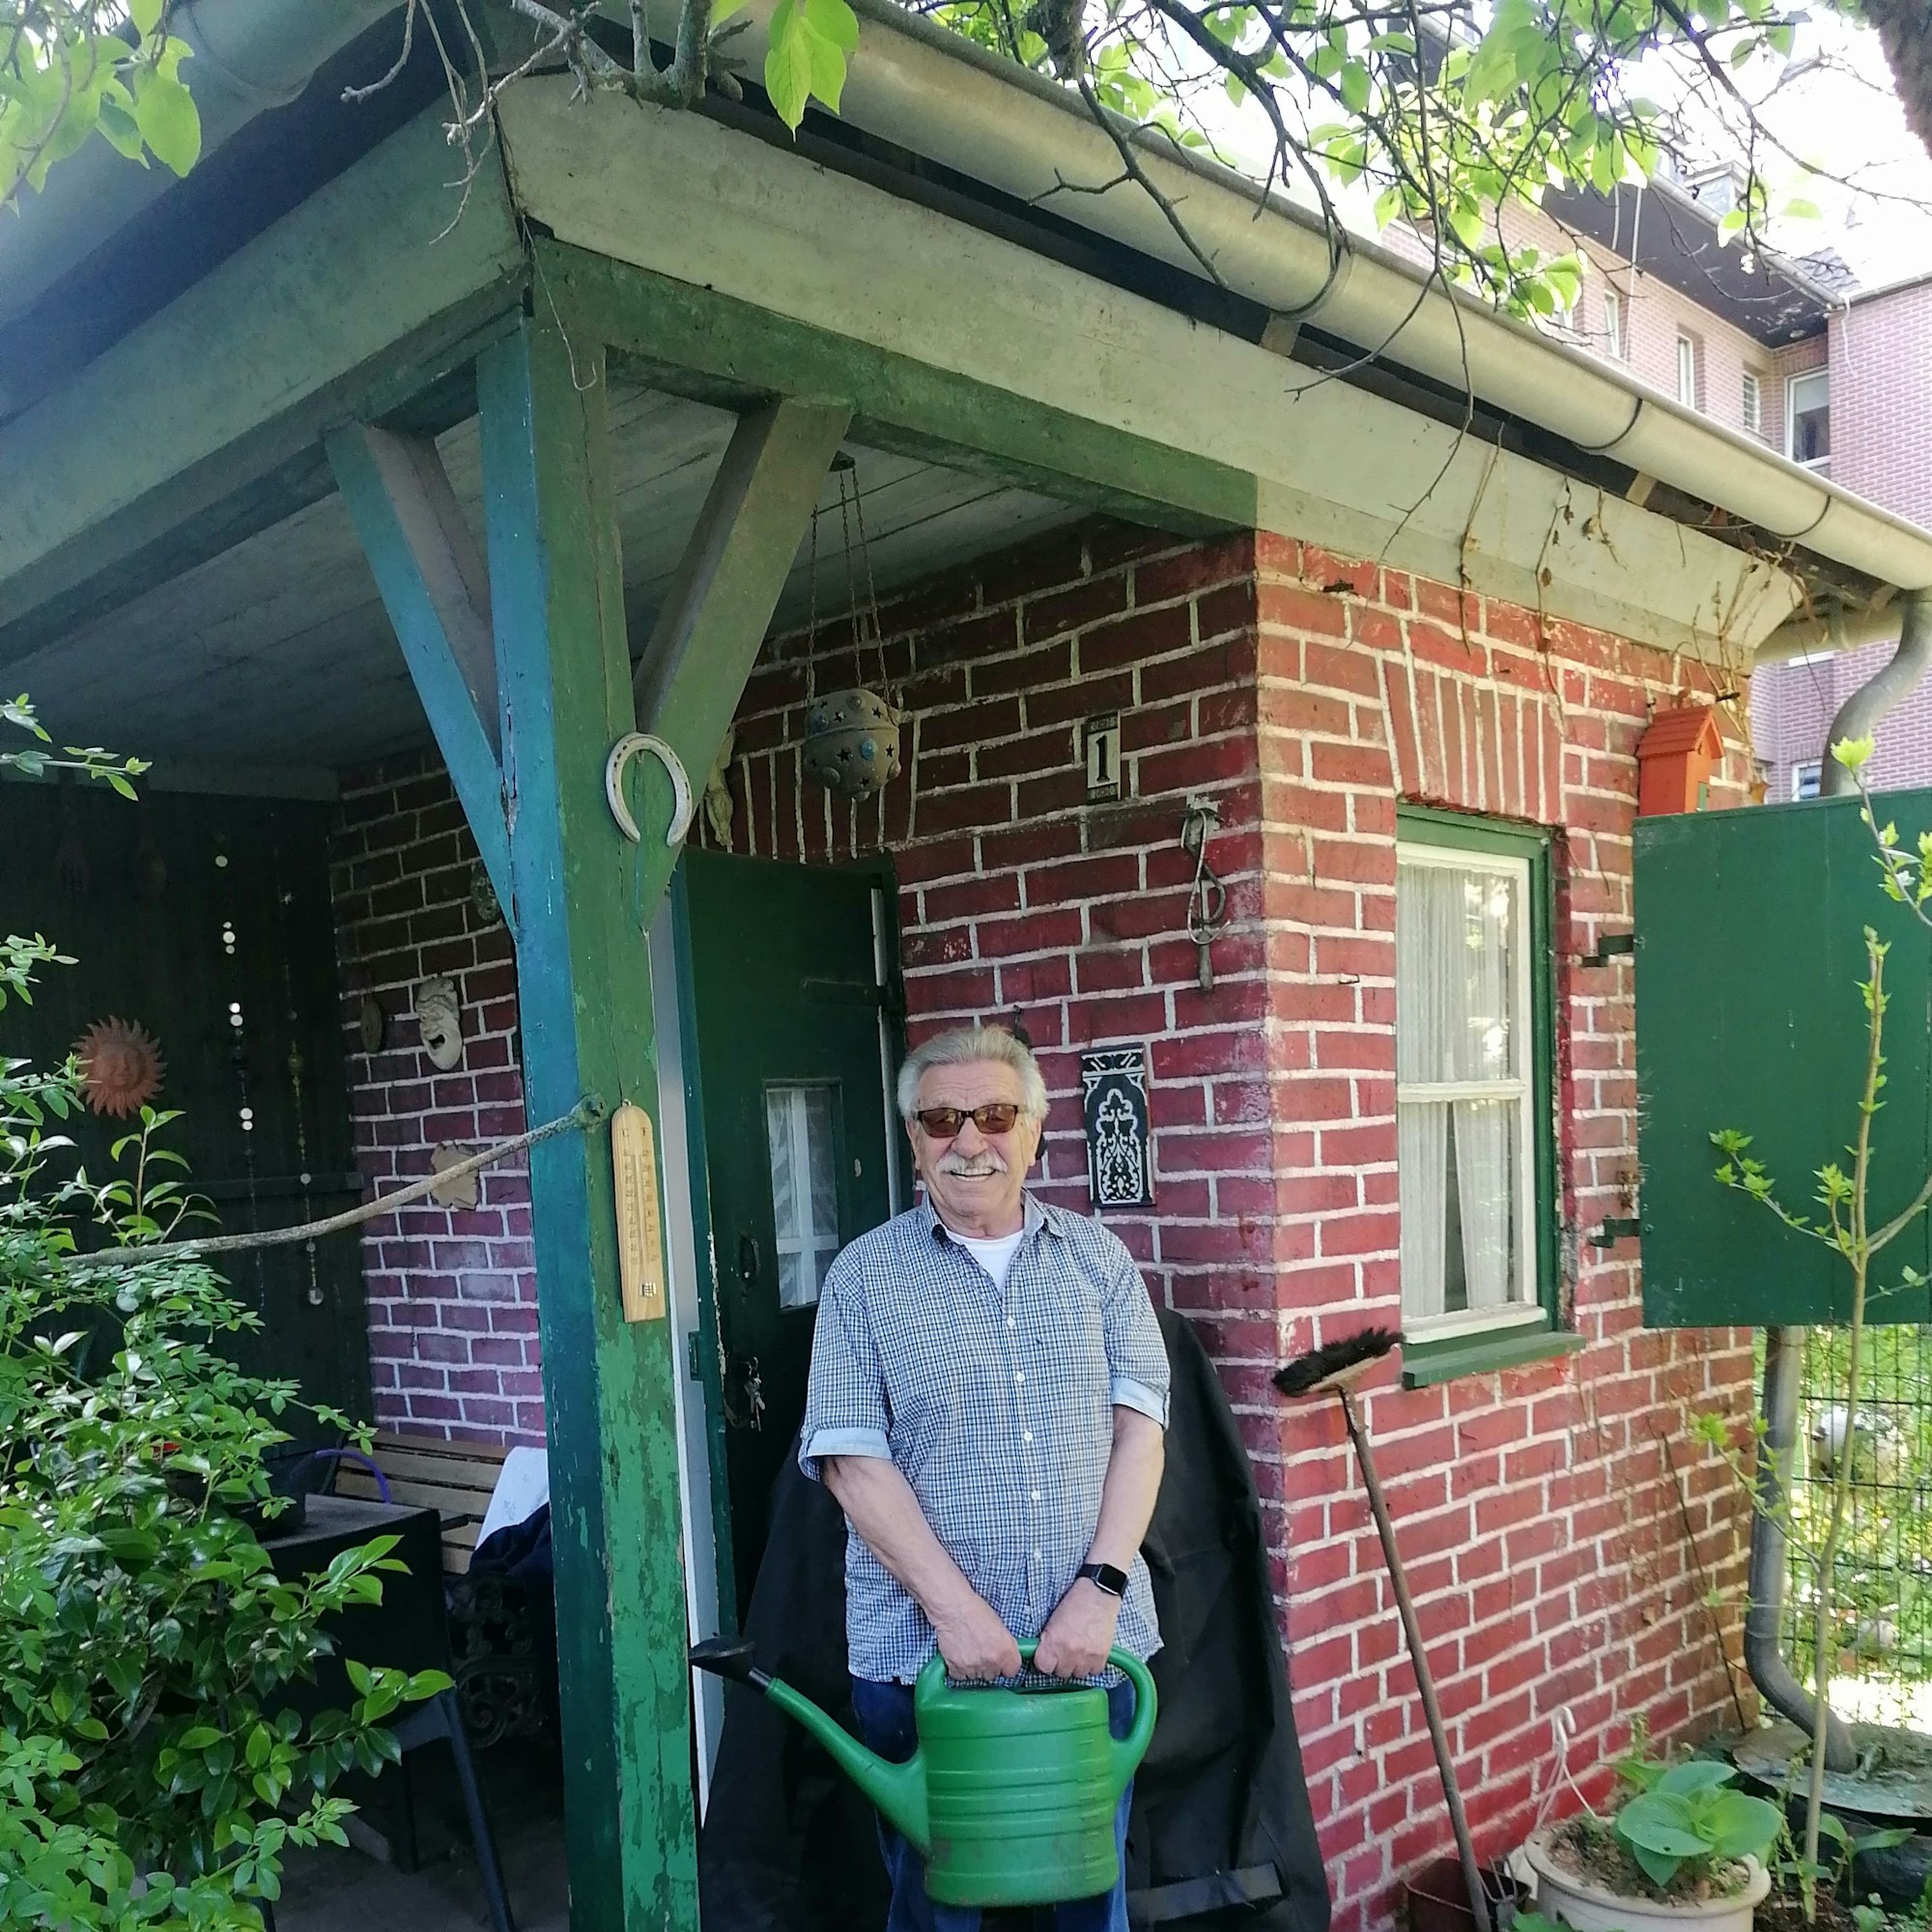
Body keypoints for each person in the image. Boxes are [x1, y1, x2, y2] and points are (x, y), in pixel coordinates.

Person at [799, 1022, 1170, 1932]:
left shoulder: (1099, 1262)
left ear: (1035, 1131)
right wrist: (957, 1615)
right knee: (936, 1912)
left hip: (1092, 1653)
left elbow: (1141, 1432)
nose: (969, 1141)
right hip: (923, 1665)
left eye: (996, 1116)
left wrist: (1101, 1591)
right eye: (941, 1120)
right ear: (914, 1138)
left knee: (1091, 1904)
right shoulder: (862, 1278)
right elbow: (850, 1462)